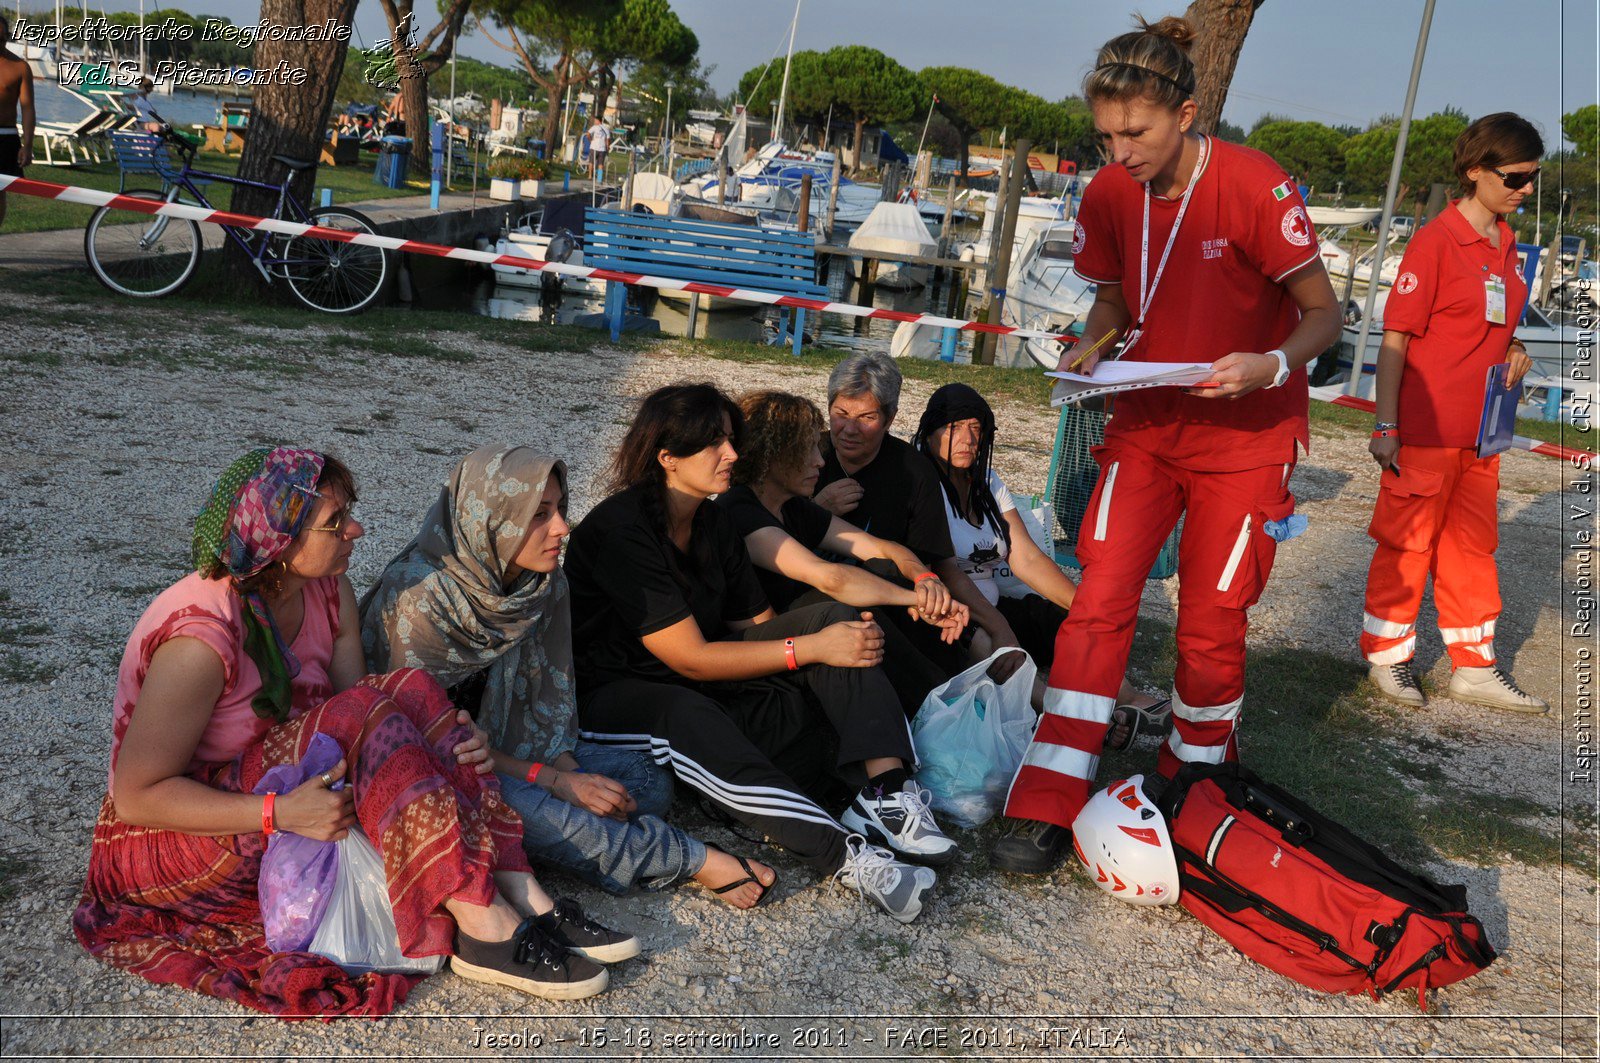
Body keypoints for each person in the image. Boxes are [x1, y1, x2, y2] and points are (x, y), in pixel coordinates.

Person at [73, 447, 632, 1016]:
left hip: (284, 784)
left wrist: (452, 743)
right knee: (371, 709)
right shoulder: (199, 642)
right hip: (182, 840)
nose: (357, 530)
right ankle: (480, 922)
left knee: (410, 689)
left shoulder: (322, 587)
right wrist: (280, 813)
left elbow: (367, 706)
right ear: (279, 542)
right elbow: (136, 796)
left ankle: (516, 887)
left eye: (350, 513)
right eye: (335, 522)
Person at [993, 16, 1341, 875]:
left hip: (1249, 437)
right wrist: (1093, 344)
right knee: (1100, 599)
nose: (1119, 152)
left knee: (1213, 621)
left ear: (1185, 114)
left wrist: (1270, 363)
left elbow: (1325, 314)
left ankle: (1195, 779)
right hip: (1146, 427)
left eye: (1136, 133)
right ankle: (1051, 786)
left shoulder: (1256, 187)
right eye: (1106, 135)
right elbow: (1115, 302)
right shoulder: (1110, 194)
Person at [566, 383, 950, 923]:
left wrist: (816, 651)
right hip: (615, 693)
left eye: (731, 439)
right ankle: (848, 857)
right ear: (667, 457)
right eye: (714, 444)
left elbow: (760, 628)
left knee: (837, 618)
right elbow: (692, 659)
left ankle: (886, 791)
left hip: (695, 674)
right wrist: (808, 650)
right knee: (690, 709)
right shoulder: (622, 530)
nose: (732, 455)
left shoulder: (714, 521)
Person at [361, 445, 777, 909]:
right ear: (491, 521)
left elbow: (550, 706)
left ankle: (526, 843)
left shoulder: (542, 585)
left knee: (645, 782)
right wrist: (555, 783)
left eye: (559, 509)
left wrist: (570, 775)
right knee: (502, 802)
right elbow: (430, 744)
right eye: (538, 515)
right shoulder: (422, 599)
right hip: (431, 770)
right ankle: (683, 856)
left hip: (507, 748)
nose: (561, 528)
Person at [1359, 113, 1547, 714]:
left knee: (1472, 547)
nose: (1525, 189)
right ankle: (1389, 659)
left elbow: (1495, 328)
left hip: (1483, 434)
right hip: (1427, 430)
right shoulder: (1436, 241)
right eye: (1516, 176)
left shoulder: (1509, 244)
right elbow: (1395, 341)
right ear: (1475, 172)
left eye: (1533, 177)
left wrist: (1515, 348)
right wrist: (1387, 426)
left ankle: (1474, 667)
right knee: (1407, 545)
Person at [911, 382, 1169, 744]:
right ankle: (1063, 713)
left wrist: (1085, 608)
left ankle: (1126, 698)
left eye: (976, 428)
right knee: (991, 642)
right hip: (948, 614)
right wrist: (1001, 627)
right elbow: (946, 569)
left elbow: (1026, 557)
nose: (968, 438)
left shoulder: (984, 477)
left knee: (1062, 619)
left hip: (994, 602)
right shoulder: (920, 477)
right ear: (932, 429)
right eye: (955, 427)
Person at [718, 390, 970, 715]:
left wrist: (925, 580)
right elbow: (832, 578)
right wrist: (917, 600)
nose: (820, 460)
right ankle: (937, 705)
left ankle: (941, 692)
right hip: (762, 650)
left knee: (888, 572)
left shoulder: (792, 507)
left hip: (808, 632)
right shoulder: (739, 509)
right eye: (807, 448)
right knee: (838, 604)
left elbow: (883, 548)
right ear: (773, 455)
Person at [814, 352, 1029, 682]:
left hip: (897, 601)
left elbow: (931, 562)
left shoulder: (914, 472)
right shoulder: (809, 457)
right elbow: (770, 529)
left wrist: (926, 592)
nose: (850, 429)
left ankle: (1052, 711)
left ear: (890, 418)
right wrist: (818, 508)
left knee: (966, 635)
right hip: (816, 594)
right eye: (841, 414)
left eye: (867, 417)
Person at [0, 14, 35, 229]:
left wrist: (28, 145)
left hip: (5, 138)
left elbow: (28, 107)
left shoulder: (19, 67)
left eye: (3, 38)